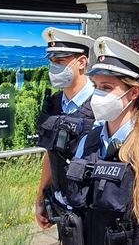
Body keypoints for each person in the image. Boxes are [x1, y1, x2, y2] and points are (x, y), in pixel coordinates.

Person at [65, 36, 139, 245]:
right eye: (96, 86)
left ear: (134, 92)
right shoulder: (88, 142)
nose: (98, 95)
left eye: (107, 87)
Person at [35, 28, 97, 233]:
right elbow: (51, 153)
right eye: (51, 61)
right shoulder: (54, 104)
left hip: (94, 210)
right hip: (62, 208)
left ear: (81, 62)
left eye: (60, 61)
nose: (54, 67)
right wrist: (41, 196)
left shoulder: (101, 105)